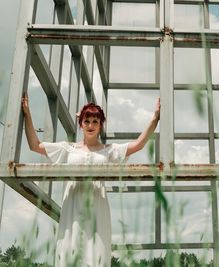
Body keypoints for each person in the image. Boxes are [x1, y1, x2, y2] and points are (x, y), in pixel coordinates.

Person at [22, 93, 160, 266]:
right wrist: (27, 113)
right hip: (73, 202)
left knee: (96, 253)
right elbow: (34, 145)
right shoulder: (68, 149)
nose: (90, 125)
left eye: (95, 121)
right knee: (69, 251)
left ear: (101, 125)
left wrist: (155, 119)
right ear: (80, 124)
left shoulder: (108, 150)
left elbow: (138, 144)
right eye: (87, 121)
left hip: (97, 205)